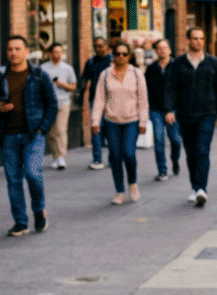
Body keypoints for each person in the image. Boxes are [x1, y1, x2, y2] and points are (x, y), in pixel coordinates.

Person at [0, 35, 58, 237]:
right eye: (10, 49)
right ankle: (21, 221)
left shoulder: (39, 75)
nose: (13, 53)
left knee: (33, 174)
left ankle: (39, 210)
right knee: (13, 180)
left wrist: (42, 129)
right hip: (7, 136)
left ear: (26, 52)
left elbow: (52, 104)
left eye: (17, 49)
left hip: (33, 135)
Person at [164, 27, 217, 207]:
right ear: (188, 41)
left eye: (201, 38)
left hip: (207, 113)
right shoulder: (178, 63)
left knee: (202, 150)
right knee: (191, 153)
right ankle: (195, 186)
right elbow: (171, 88)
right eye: (195, 38)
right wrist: (169, 109)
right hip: (185, 114)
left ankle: (201, 189)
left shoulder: (212, 62)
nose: (199, 42)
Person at [92, 42, 149, 205]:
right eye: (118, 54)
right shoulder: (105, 75)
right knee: (115, 156)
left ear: (129, 56)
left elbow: (143, 100)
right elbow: (99, 100)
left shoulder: (137, 74)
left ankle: (132, 182)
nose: (121, 57)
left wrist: (143, 121)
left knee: (129, 153)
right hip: (112, 121)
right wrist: (95, 121)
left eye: (124, 54)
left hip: (132, 121)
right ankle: (120, 191)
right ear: (113, 56)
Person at [145, 39, 182, 180]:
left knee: (175, 139)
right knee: (158, 139)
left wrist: (173, 109)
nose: (162, 50)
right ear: (156, 51)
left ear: (170, 50)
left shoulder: (177, 67)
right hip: (156, 109)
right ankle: (162, 170)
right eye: (159, 48)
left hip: (173, 109)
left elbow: (181, 89)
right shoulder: (151, 68)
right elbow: (146, 89)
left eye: (165, 48)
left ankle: (175, 159)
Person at [39, 43, 77, 170]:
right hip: (48, 104)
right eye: (55, 52)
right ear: (50, 54)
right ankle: (55, 156)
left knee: (61, 130)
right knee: (51, 132)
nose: (58, 55)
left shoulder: (68, 68)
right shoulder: (43, 68)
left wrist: (62, 85)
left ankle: (61, 157)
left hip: (63, 102)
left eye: (60, 52)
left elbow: (73, 86)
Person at [78, 38, 113, 170]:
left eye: (100, 46)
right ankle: (97, 159)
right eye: (96, 46)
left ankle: (113, 158)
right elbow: (84, 79)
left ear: (107, 47)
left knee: (110, 130)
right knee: (96, 129)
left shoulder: (112, 61)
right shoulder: (91, 62)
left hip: (111, 100)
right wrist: (80, 95)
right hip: (95, 100)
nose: (98, 49)